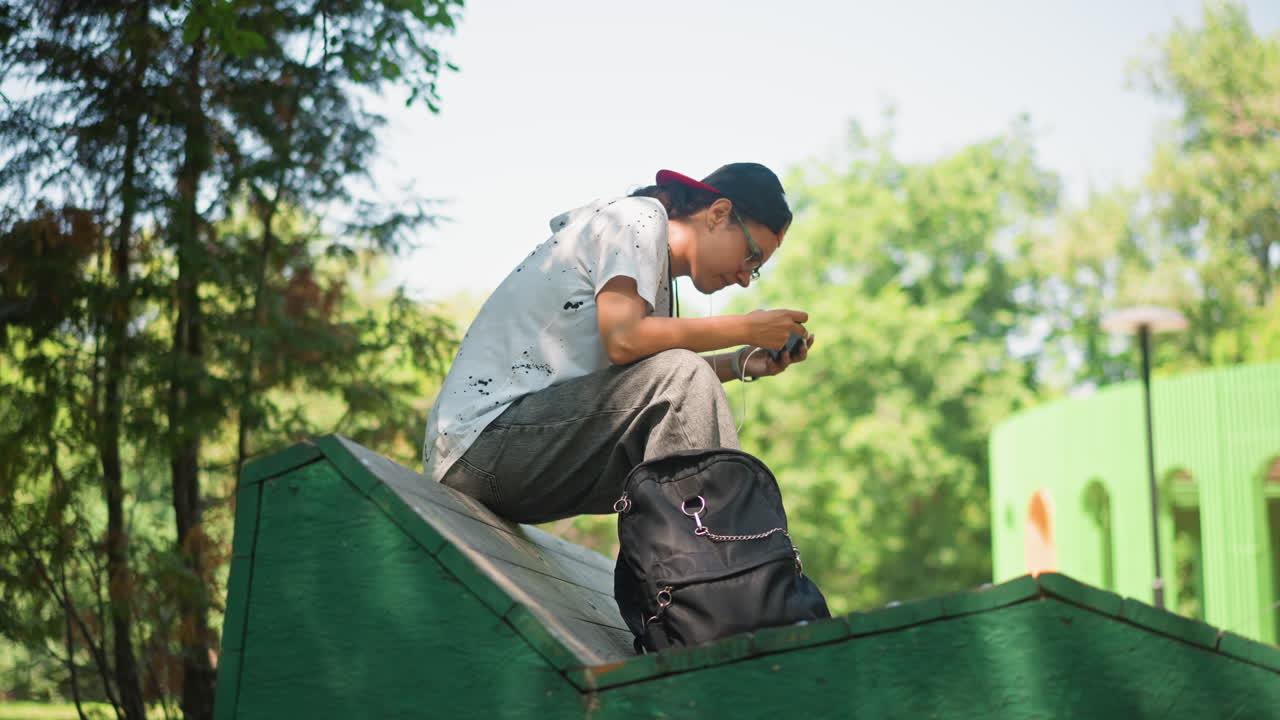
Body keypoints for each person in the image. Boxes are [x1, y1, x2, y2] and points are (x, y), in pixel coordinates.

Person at [421, 163, 813, 524]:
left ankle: (703, 563)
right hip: (479, 447)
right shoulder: (635, 218)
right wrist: (745, 328)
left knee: (679, 380)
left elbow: (646, 386)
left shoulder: (655, 287)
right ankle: (728, 560)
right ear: (718, 213)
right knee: (681, 373)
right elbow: (626, 342)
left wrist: (739, 362)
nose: (746, 278)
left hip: (518, 451)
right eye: (751, 256)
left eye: (756, 271)